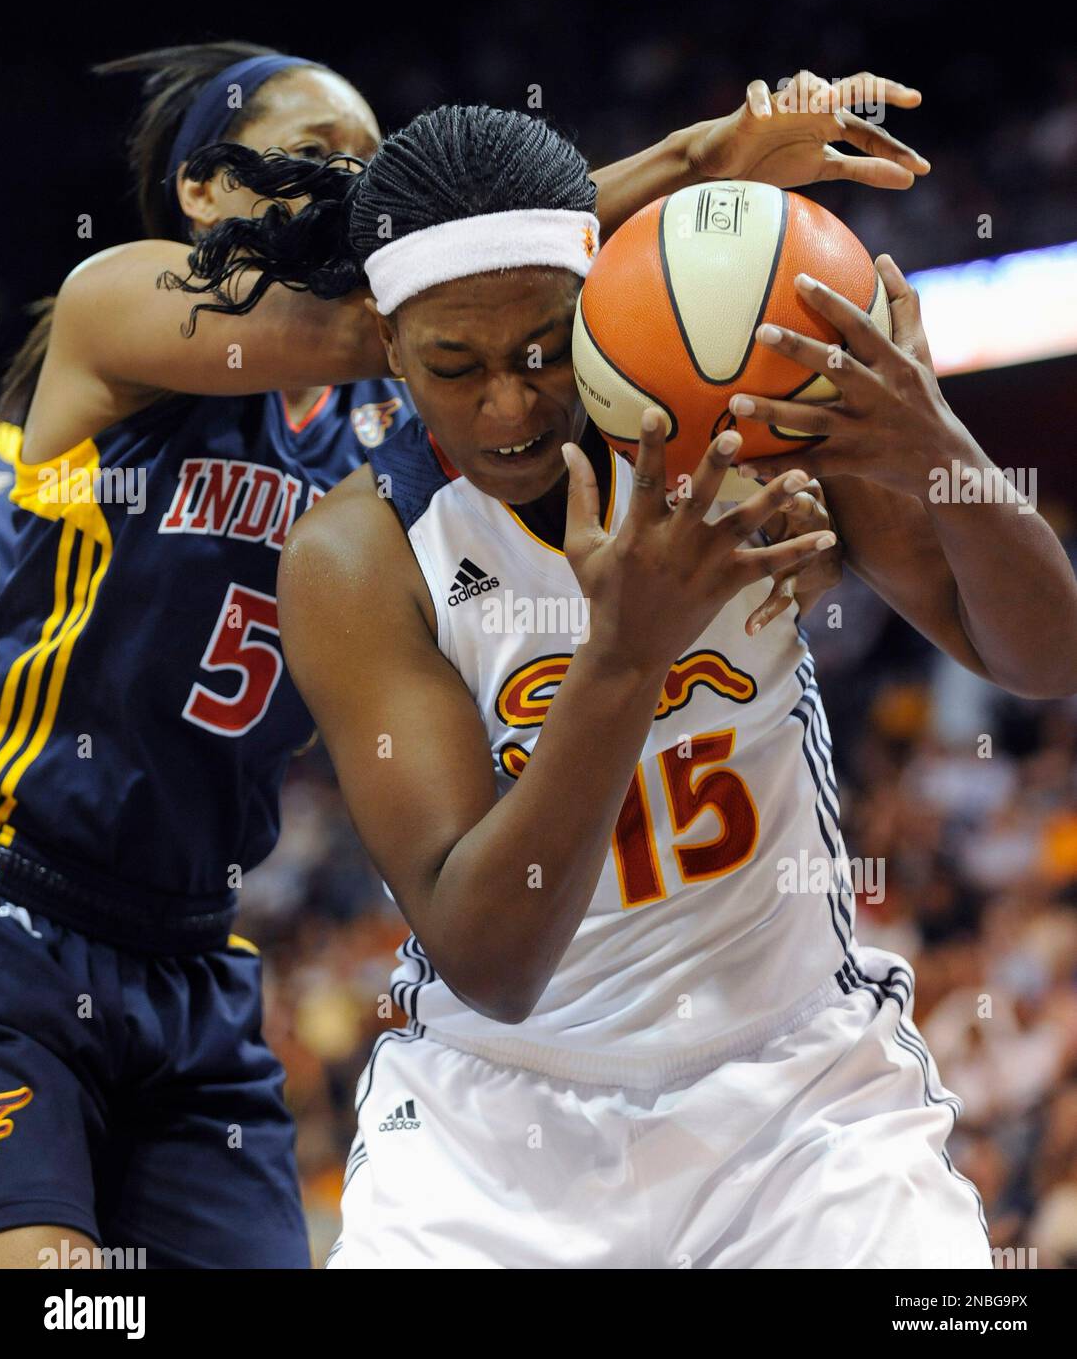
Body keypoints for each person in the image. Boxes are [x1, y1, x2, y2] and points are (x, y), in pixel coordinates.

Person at [0, 56, 926, 1267]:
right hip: (20, 908)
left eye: (374, 155)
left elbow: (491, 324)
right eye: (322, 149)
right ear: (208, 191)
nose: (362, 178)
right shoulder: (117, 309)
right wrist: (689, 162)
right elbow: (399, 305)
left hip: (198, 949)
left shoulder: (380, 433)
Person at [177, 102, 1077, 1268]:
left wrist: (935, 446)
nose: (510, 404)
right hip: (495, 1125)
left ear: (598, 301)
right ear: (391, 348)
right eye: (456, 366)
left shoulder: (740, 427)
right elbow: (491, 962)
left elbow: (1043, 658)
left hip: (797, 1092)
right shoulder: (357, 555)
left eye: (546, 350)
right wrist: (621, 656)